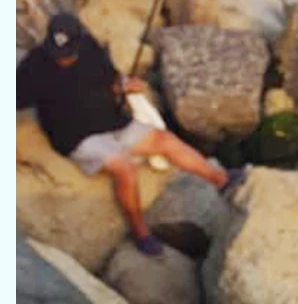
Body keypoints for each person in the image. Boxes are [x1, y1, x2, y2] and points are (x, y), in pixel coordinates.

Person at [16, 13, 247, 256]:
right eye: (57, 54)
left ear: (78, 40)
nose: (62, 60)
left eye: (68, 54)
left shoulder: (89, 47)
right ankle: (141, 234)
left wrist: (124, 85)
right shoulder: (34, 66)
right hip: (78, 138)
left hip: (113, 121)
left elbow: (111, 79)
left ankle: (221, 180)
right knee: (124, 167)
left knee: (165, 140)